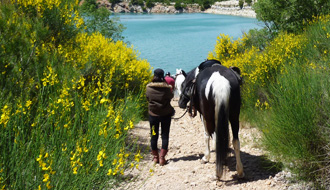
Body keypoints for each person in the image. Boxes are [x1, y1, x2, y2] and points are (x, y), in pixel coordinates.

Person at [146, 69, 174, 166]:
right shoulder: (167, 88)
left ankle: (155, 157)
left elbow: (147, 98)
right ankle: (162, 158)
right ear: (163, 76)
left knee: (154, 135)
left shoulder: (148, 88)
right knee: (165, 135)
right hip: (166, 115)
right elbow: (171, 96)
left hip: (153, 115)